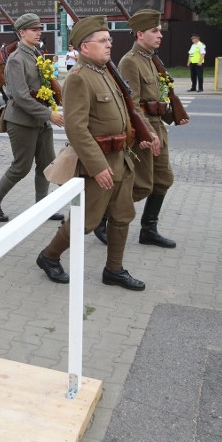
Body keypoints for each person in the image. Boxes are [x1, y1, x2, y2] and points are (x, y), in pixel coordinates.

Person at [35, 16, 155, 291]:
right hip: (98, 164)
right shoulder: (79, 78)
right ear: (84, 47)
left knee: (123, 216)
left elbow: (125, 114)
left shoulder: (105, 73)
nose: (109, 44)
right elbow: (76, 129)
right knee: (86, 222)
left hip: (121, 159)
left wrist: (139, 138)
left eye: (109, 40)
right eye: (102, 41)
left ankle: (114, 269)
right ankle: (49, 256)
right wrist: (98, 166)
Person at [94, 9, 188, 247]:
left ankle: (149, 229)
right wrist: (149, 132)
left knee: (164, 179)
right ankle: (102, 217)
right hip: (144, 132)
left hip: (158, 128)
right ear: (139, 34)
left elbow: (158, 96)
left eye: (160, 31)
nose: (160, 35)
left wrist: (172, 113)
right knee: (142, 185)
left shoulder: (152, 60)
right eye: (154, 31)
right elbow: (132, 103)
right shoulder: (130, 62)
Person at [0, 13, 65, 223]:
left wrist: (53, 100)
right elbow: (21, 97)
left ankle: (42, 208)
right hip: (22, 122)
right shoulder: (16, 60)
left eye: (39, 29)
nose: (38, 32)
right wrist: (49, 114)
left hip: (40, 121)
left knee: (47, 165)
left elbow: (41, 86)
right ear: (21, 33)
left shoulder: (35, 54)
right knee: (20, 167)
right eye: (34, 29)